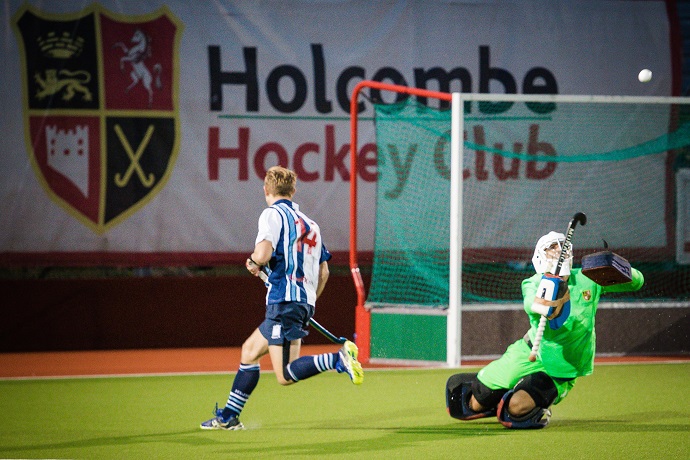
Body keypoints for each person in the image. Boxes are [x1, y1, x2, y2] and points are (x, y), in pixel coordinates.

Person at [201, 166, 363, 431]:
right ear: (293, 190)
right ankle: (229, 417)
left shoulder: (271, 214)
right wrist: (308, 302)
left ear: (266, 190)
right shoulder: (311, 224)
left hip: (284, 302)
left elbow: (263, 253)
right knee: (250, 351)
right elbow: (324, 272)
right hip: (300, 301)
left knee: (285, 374)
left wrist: (254, 262)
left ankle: (337, 359)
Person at [446, 231, 644, 428]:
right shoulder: (533, 282)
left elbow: (637, 283)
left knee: (516, 409)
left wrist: (616, 266)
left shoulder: (588, 279)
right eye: (551, 247)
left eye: (562, 246)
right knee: (475, 401)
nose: (558, 250)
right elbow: (531, 304)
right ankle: (497, 397)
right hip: (528, 352)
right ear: (541, 255)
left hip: (560, 368)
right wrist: (548, 297)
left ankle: (532, 404)